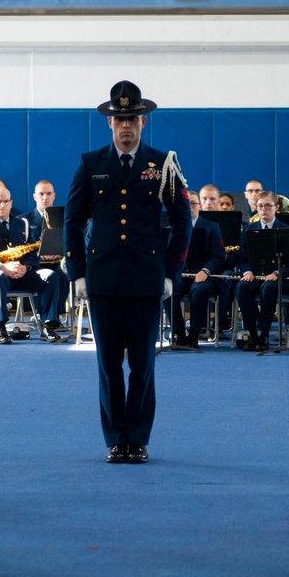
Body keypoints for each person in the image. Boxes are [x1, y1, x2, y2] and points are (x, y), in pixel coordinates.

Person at [64, 80, 192, 464]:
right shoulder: (90, 164)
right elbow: (71, 222)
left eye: (132, 118)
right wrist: (78, 272)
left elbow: (183, 222)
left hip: (145, 279)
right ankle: (115, 439)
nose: (125, 126)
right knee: (107, 365)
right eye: (119, 118)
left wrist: (170, 272)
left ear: (143, 121)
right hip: (102, 279)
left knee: (142, 363)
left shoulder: (162, 163)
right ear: (109, 122)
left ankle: (137, 437)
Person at [0, 186, 60, 344]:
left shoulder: (22, 224)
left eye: (6, 201)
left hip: (20, 274)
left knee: (50, 276)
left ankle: (48, 325)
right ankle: (0, 327)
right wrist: (1, 267)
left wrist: (25, 267)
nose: (2, 205)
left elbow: (33, 255)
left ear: (11, 203)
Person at [235, 190, 289, 352]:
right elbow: (243, 259)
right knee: (241, 287)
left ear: (277, 207)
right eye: (260, 206)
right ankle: (252, 333)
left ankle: (264, 334)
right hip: (255, 277)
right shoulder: (248, 231)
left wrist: (277, 273)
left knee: (268, 287)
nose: (264, 209)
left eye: (268, 206)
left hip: (280, 280)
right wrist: (247, 272)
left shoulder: (286, 229)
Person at [169, 190, 226, 348]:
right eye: (186, 204)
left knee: (199, 290)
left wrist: (205, 271)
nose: (190, 207)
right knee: (167, 289)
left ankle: (194, 334)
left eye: (193, 203)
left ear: (199, 206)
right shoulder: (173, 227)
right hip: (180, 275)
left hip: (204, 275)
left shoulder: (212, 227)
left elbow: (219, 257)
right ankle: (178, 333)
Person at [24, 179, 69, 324]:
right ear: (34, 196)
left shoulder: (64, 219)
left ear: (54, 195)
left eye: (48, 193)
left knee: (63, 271)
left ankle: (56, 313)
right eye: (41, 194)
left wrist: (59, 252)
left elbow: (69, 242)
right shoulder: (23, 220)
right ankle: (41, 312)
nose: (45, 197)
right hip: (35, 263)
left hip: (57, 262)